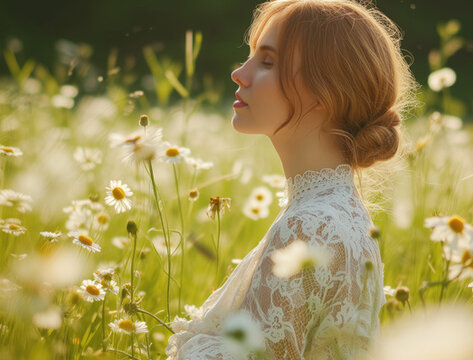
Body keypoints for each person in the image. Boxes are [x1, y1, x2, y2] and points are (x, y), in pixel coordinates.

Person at [166, 0, 417, 358]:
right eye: (251, 56)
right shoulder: (334, 215)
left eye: (267, 62)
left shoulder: (310, 226)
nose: (240, 73)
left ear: (325, 90)